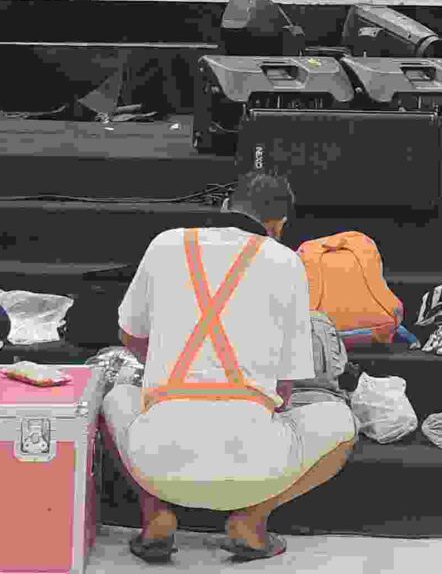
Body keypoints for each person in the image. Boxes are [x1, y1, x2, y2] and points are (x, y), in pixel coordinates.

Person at [101, 171, 357, 564]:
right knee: (341, 423)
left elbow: (129, 336)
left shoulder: (165, 243)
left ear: (224, 206)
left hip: (156, 462)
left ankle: (155, 517)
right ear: (278, 226)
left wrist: (166, 374)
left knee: (114, 398)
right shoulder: (286, 261)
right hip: (255, 470)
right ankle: (251, 521)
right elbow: (284, 388)